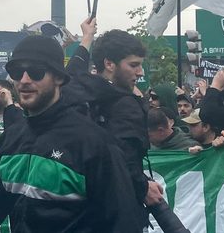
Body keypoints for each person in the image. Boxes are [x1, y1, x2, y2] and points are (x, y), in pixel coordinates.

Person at [0, 35, 139, 232]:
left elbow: (124, 223)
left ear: (59, 78)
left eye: (36, 72)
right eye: (17, 72)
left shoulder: (94, 143)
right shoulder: (11, 140)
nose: (25, 80)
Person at [66, 18, 159, 229]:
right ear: (109, 64)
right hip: (117, 213)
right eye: (133, 65)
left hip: (78, 213)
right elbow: (124, 160)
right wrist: (143, 186)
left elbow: (71, 73)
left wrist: (86, 38)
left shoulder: (77, 93)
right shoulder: (126, 105)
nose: (140, 72)